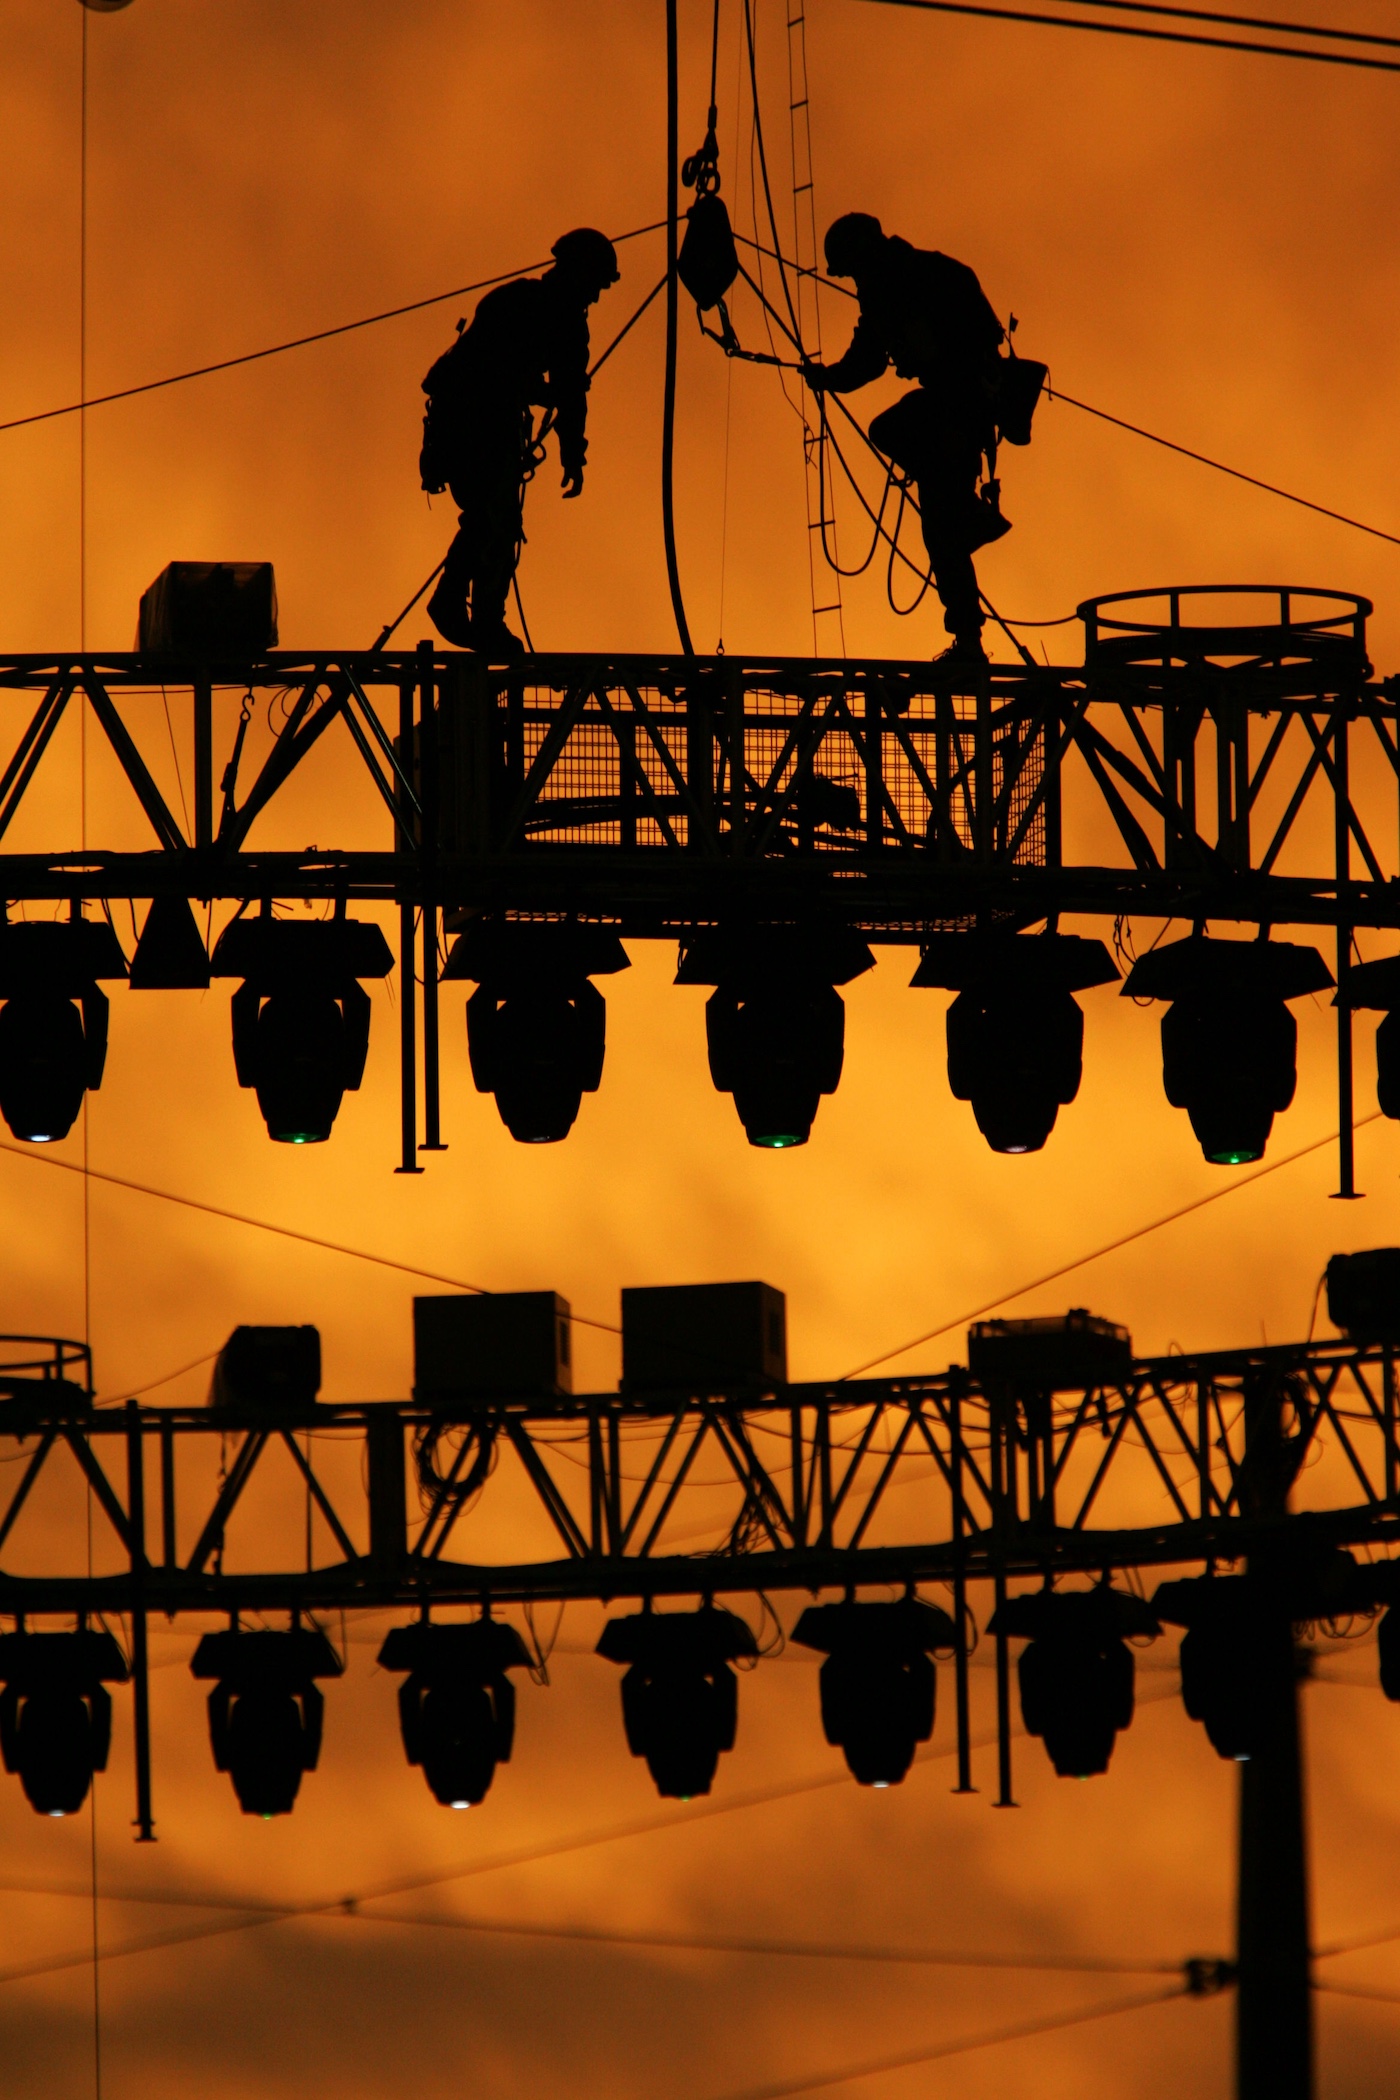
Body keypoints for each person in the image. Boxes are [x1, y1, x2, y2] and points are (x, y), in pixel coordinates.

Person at [802, 213, 1008, 668]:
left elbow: (875, 358)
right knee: (941, 527)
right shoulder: (898, 283)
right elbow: (868, 360)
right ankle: (968, 637)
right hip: (955, 407)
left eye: (852, 269)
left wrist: (831, 376)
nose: (853, 280)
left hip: (962, 405)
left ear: (864, 255)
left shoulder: (914, 280)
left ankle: (969, 640)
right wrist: (829, 377)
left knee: (940, 525)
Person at [419, 228, 620, 658]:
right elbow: (490, 371)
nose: (597, 297)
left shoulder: (566, 323)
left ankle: (456, 604)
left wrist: (573, 453)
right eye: (596, 284)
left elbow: (569, 391)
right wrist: (544, 396)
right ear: (575, 272)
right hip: (468, 418)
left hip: (487, 421)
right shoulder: (517, 304)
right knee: (496, 518)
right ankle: (478, 617)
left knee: (491, 518)